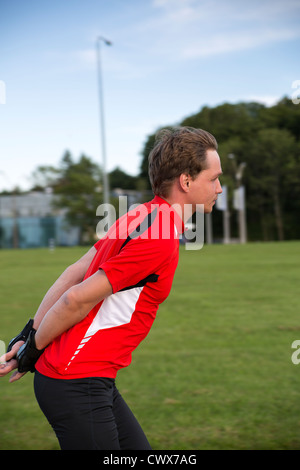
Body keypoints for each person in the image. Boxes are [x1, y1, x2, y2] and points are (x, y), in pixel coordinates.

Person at [0, 126, 222, 450]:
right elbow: (75, 297)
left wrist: (29, 333)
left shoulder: (141, 215)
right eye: (213, 178)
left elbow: (74, 271)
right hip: (76, 381)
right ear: (186, 181)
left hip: (88, 378)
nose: (219, 187)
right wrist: (32, 348)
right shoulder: (159, 238)